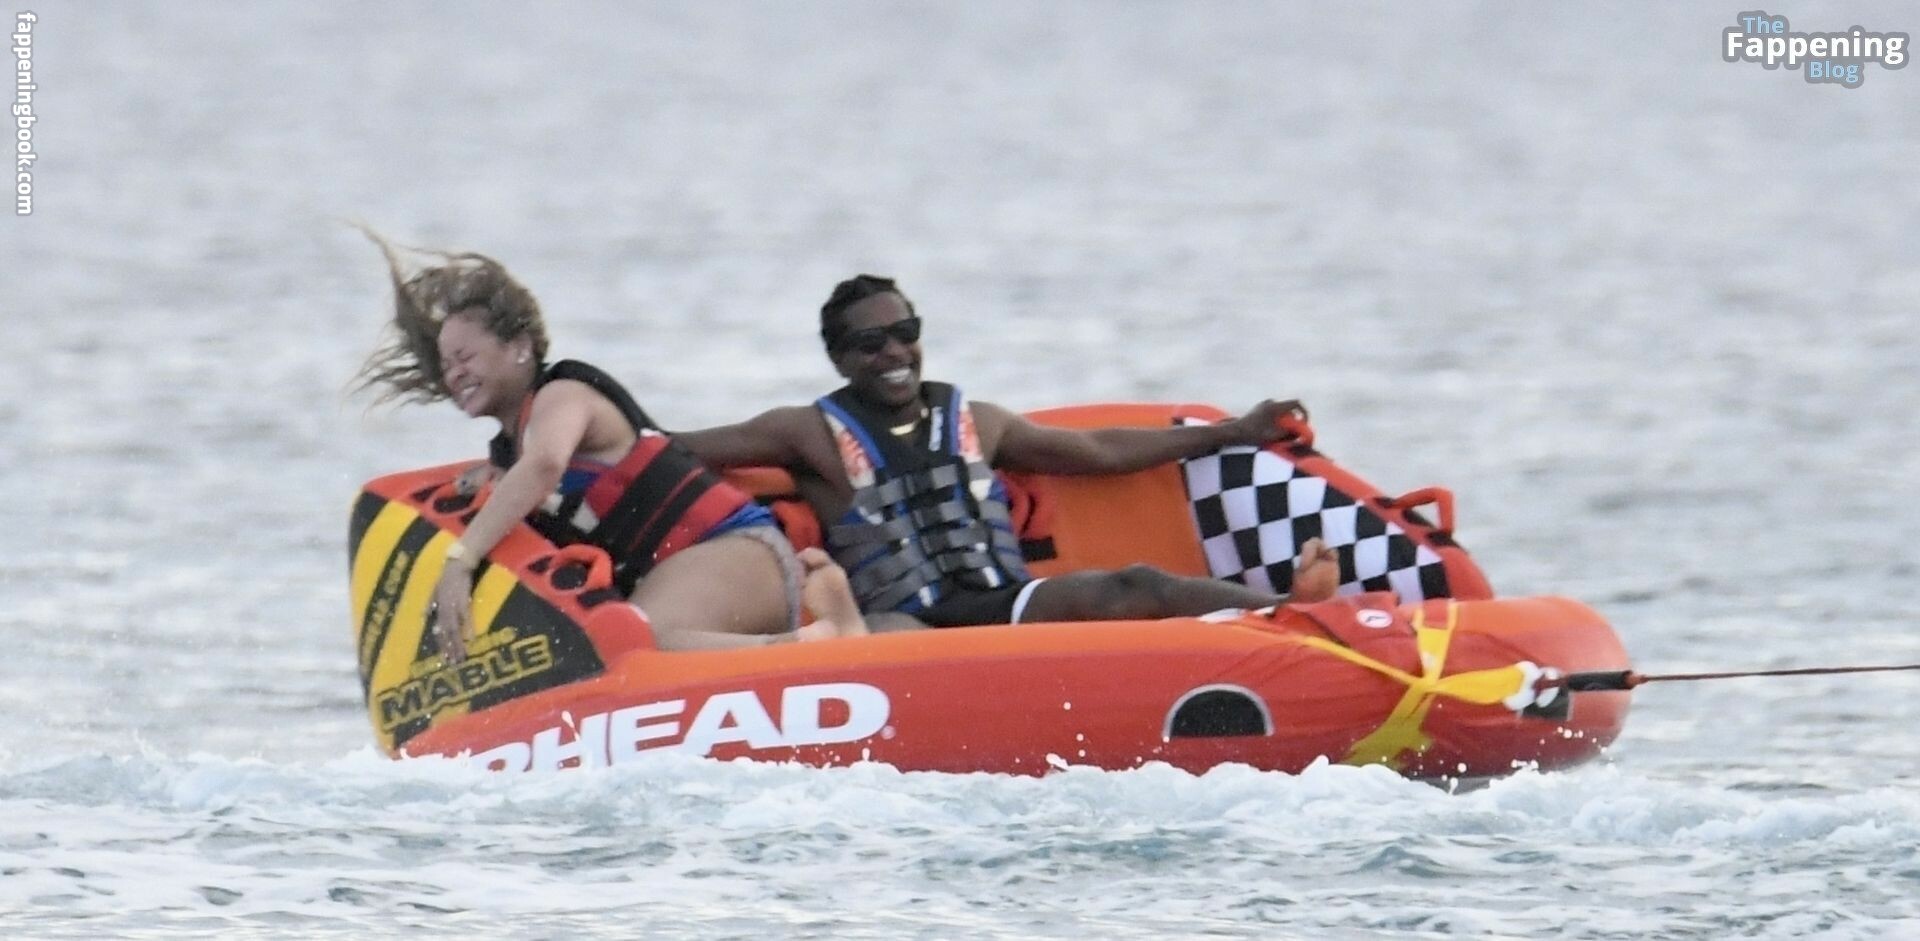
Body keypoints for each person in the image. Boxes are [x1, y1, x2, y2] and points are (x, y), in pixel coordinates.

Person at [677, 274, 1340, 629]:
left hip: (1003, 603)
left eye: (905, 331)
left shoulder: (979, 423)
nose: (894, 352)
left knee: (1136, 584)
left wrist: (1231, 431)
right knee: (891, 645)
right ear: (839, 358)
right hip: (901, 621)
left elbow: (1099, 450)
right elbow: (674, 450)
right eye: (871, 343)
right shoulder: (804, 432)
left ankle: (1288, 612)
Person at [353, 237, 867, 657]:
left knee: (640, 642)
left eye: (465, 356)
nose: (454, 373)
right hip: (686, 578)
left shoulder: (563, 395)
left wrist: (460, 561)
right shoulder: (509, 459)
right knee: (612, 647)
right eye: (447, 365)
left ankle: (817, 645)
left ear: (519, 347)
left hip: (738, 552)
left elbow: (545, 466)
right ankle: (818, 634)